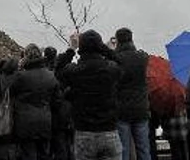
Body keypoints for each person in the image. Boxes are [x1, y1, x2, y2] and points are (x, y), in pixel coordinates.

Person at [57, 30, 122, 160]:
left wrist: (71, 48)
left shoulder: (74, 70)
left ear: (81, 48)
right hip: (108, 130)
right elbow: (121, 63)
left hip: (83, 131)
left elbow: (58, 70)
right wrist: (106, 49)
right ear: (100, 47)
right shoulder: (110, 69)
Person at [9, 44, 60, 160]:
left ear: (25, 56)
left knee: (28, 154)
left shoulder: (21, 76)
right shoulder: (50, 76)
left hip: (25, 123)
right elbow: (57, 102)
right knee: (44, 154)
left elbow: (10, 94)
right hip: (45, 121)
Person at [110, 28, 150, 160]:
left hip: (122, 110)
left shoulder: (116, 59)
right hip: (141, 108)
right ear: (131, 39)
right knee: (143, 149)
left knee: (123, 150)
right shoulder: (142, 57)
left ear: (118, 40)